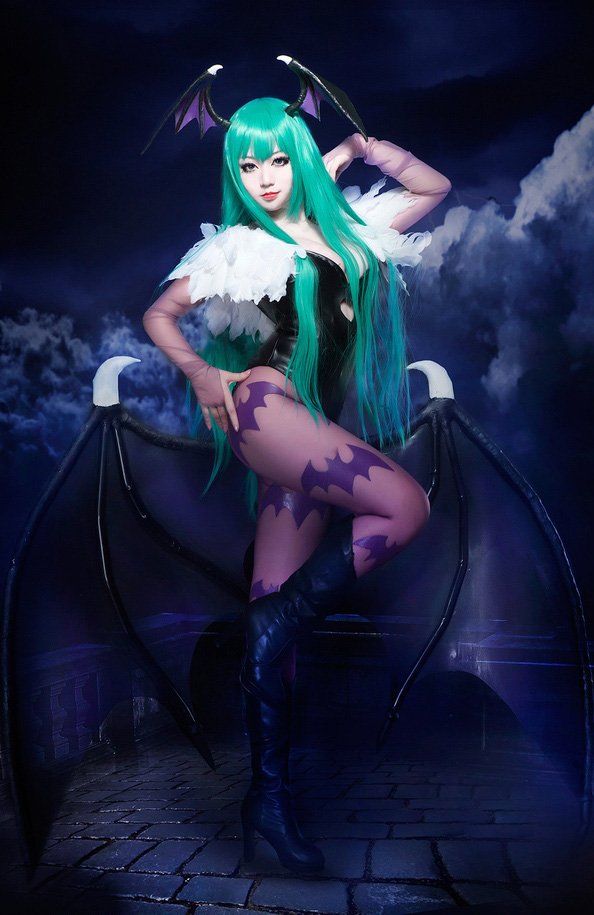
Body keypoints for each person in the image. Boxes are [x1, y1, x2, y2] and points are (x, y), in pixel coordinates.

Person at [143, 75, 450, 874]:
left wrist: (356, 149)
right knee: (405, 505)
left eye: (279, 159)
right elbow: (159, 314)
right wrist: (202, 374)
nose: (265, 178)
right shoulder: (241, 249)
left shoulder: (354, 232)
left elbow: (433, 187)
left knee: (271, 622)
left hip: (307, 435)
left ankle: (267, 803)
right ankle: (274, 623)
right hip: (267, 410)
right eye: (248, 166)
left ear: (301, 158)